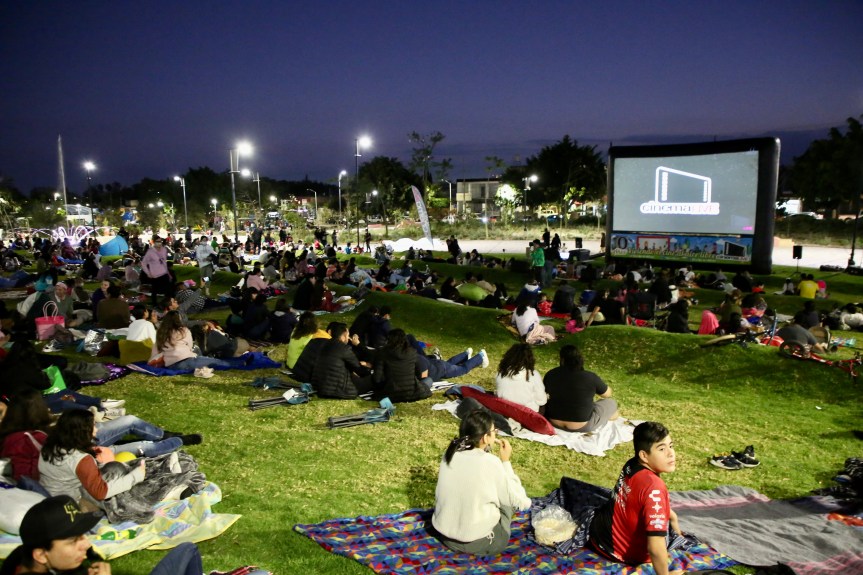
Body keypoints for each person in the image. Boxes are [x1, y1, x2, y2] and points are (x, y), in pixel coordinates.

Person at [0, 495, 204, 575]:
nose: (86, 544)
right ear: (41, 555)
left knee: (187, 549)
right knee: (188, 550)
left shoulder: (21, 557)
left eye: (81, 535)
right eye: (73, 541)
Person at [432, 410, 531, 556]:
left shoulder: (450, 453)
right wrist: (505, 462)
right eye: (494, 431)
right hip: (480, 542)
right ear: (485, 437)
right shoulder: (491, 463)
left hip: (446, 536)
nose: (495, 434)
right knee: (506, 505)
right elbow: (522, 503)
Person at [589, 422, 682, 575]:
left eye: (670, 446)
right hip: (621, 554)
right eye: (661, 449)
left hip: (599, 536)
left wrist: (673, 518)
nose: (671, 453)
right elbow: (655, 546)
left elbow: (645, 503)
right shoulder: (655, 488)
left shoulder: (632, 464)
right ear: (644, 455)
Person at [38, 410, 146, 505]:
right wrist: (136, 476)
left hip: (45, 493)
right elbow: (101, 492)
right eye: (93, 426)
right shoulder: (81, 459)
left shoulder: (50, 445)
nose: (96, 429)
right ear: (83, 431)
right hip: (69, 502)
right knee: (117, 469)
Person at [543, 344, 618, 432]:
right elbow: (607, 394)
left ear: (562, 359)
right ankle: (609, 416)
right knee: (611, 403)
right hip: (582, 425)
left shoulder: (551, 374)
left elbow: (544, 392)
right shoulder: (590, 377)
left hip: (553, 421)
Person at [150, 311, 231, 370]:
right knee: (218, 362)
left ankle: (203, 358)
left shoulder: (161, 332)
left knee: (203, 358)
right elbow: (190, 346)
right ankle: (241, 363)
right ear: (178, 320)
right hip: (184, 361)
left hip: (170, 365)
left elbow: (156, 349)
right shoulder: (183, 330)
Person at [312, 323, 372, 399]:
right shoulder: (344, 348)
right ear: (343, 335)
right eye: (347, 335)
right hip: (338, 392)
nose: (348, 338)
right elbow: (359, 370)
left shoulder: (324, 345)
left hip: (319, 388)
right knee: (373, 378)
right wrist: (369, 370)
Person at [372, 329, 430, 403]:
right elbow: (419, 373)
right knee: (429, 380)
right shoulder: (412, 352)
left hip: (391, 393)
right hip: (412, 392)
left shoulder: (382, 353)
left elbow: (377, 379)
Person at [494, 343, 547, 412]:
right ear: (530, 358)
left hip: (505, 412)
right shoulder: (534, 375)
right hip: (527, 415)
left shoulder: (501, 373)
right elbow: (541, 400)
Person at [141, 237, 173, 307]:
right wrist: (148, 273)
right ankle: (155, 304)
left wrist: (168, 273)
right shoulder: (150, 252)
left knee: (169, 289)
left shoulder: (164, 250)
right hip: (155, 275)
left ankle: (168, 304)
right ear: (154, 242)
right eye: (157, 241)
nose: (159, 243)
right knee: (154, 290)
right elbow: (143, 263)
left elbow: (164, 262)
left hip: (164, 273)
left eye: (160, 241)